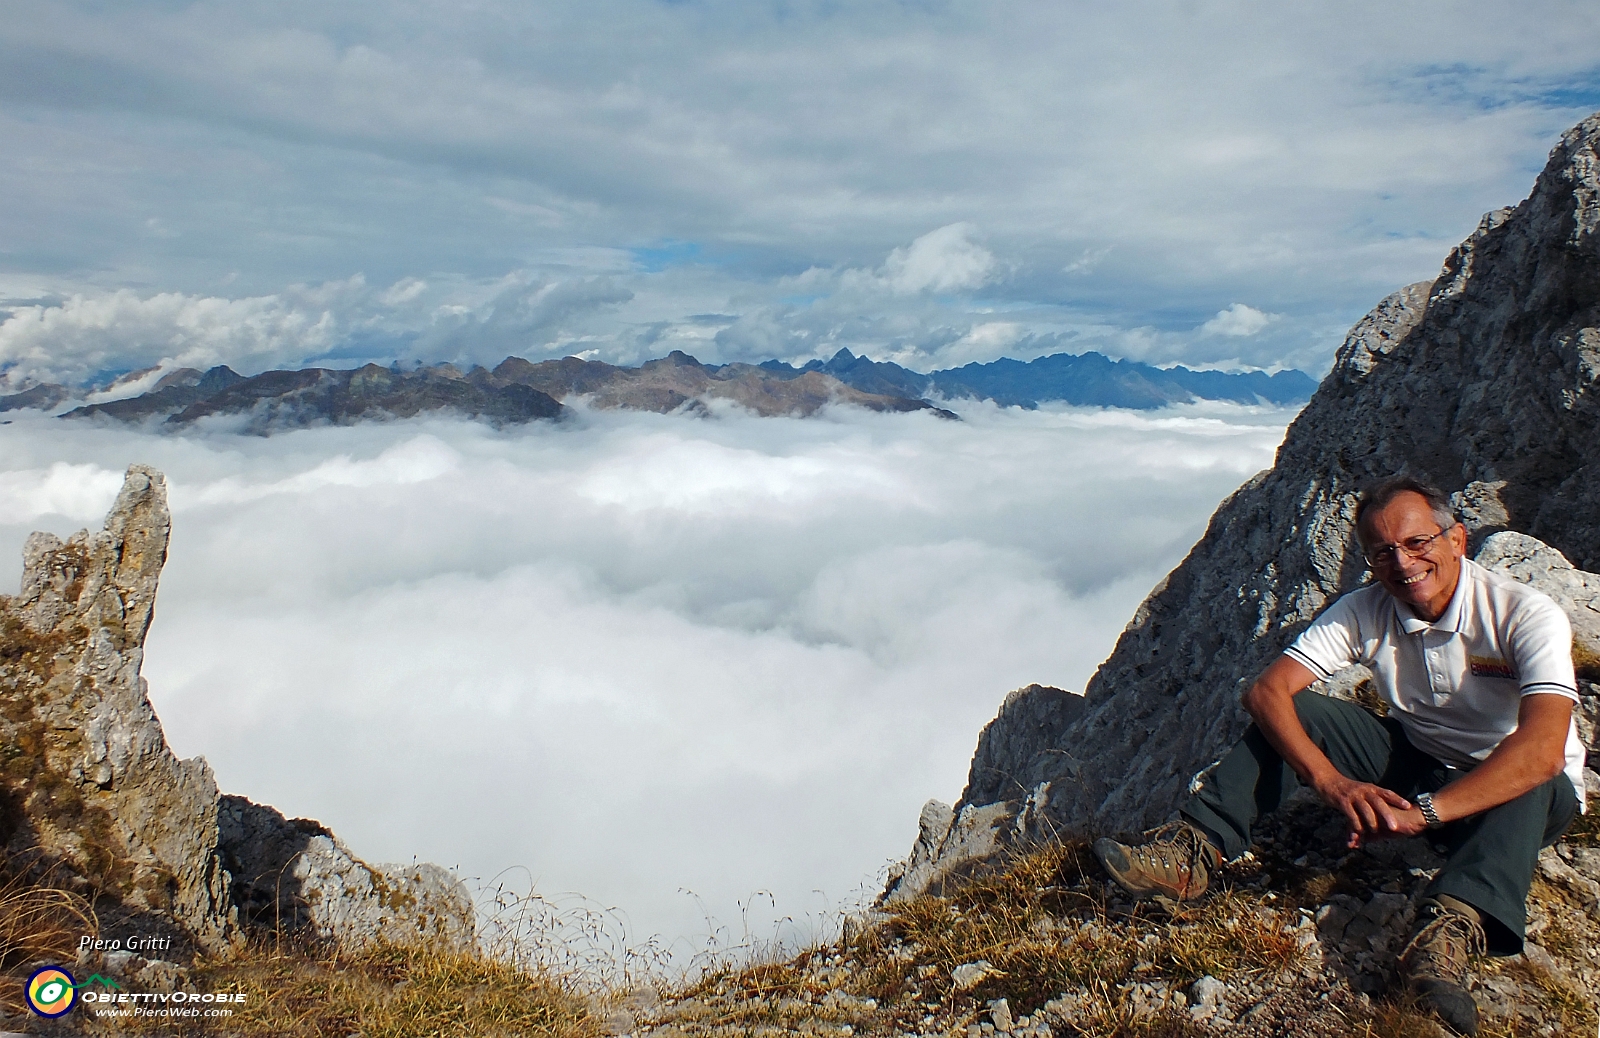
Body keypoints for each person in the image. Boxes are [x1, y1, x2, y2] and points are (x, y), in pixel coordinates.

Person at [1092, 476, 1585, 1036]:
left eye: (1418, 542)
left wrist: (1423, 814)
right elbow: (1265, 692)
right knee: (1305, 713)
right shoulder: (1366, 610)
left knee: (1530, 778)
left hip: (1515, 800)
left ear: (1457, 540)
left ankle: (1448, 933)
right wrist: (1330, 782)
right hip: (1418, 762)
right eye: (1382, 552)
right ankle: (1193, 855)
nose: (1402, 563)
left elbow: (1543, 751)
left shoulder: (1524, 613)